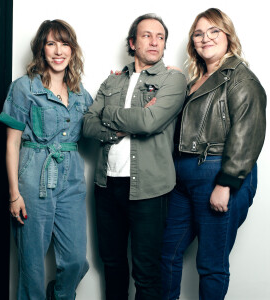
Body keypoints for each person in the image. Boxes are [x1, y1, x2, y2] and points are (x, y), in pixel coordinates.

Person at [161, 8, 266, 300]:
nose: (205, 38)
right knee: (166, 254)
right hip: (182, 178)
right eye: (198, 33)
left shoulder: (241, 78)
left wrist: (226, 184)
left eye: (213, 31)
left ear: (228, 36)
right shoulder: (192, 81)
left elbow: (248, 134)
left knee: (211, 264)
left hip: (217, 172)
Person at [83, 13, 186, 300]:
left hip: (150, 190)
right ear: (132, 42)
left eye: (160, 37)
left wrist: (108, 115)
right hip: (106, 186)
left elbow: (150, 122)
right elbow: (88, 124)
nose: (154, 42)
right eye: (146, 35)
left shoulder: (173, 80)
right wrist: (122, 126)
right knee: (113, 264)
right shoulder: (112, 80)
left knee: (146, 271)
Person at [0, 19, 92, 300]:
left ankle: (59, 294)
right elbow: (12, 142)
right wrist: (14, 194)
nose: (58, 50)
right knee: (32, 263)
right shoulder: (23, 88)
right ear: (42, 49)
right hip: (33, 172)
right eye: (51, 43)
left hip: (72, 178)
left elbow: (100, 125)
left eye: (64, 43)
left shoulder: (80, 93)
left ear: (72, 50)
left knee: (76, 258)